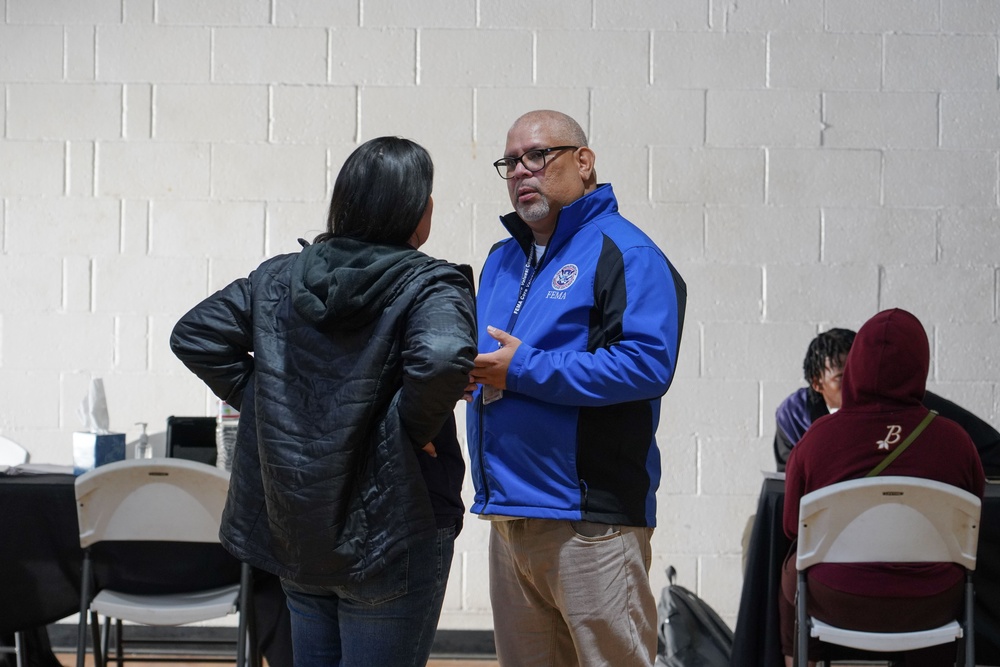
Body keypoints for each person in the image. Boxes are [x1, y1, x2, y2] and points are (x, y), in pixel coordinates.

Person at [170, 136, 478, 667]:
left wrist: (265, 402)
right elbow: (447, 355)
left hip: (300, 524)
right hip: (396, 523)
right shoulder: (430, 284)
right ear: (416, 210)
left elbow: (195, 334)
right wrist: (408, 431)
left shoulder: (279, 277)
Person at [465, 109, 687, 666]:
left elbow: (646, 366)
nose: (521, 171)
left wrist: (523, 369)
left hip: (590, 521)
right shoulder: (500, 259)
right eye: (510, 162)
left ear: (584, 163)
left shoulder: (627, 252)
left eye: (537, 156)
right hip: (510, 517)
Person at [779, 308, 985, 667]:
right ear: (920, 365)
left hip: (838, 599)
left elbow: (793, 527)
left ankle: (801, 661)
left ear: (856, 363)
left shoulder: (816, 441)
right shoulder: (956, 441)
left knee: (791, 568)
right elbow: (973, 523)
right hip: (933, 602)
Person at [774, 329, 1000, 473]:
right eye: (842, 378)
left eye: (859, 372)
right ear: (817, 383)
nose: (854, 384)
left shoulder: (907, 404)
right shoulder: (795, 418)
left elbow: (988, 447)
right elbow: (787, 487)